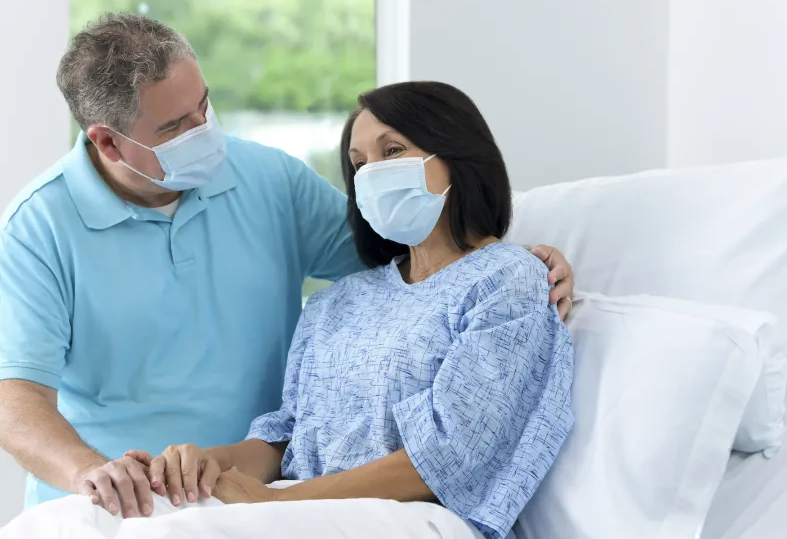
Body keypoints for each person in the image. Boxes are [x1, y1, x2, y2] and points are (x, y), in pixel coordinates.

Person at [0, 13, 574, 521]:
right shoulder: (38, 226)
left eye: (204, 106)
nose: (203, 132)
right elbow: (16, 397)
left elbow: (416, 252)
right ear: (108, 143)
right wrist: (93, 473)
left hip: (255, 496)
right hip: (125, 493)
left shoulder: (269, 180)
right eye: (174, 128)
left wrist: (519, 259)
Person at [127, 81, 574, 539]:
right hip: (301, 508)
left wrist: (275, 503)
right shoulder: (335, 301)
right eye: (359, 164)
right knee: (109, 521)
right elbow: (287, 438)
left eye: (392, 151)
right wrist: (210, 464)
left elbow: (449, 456)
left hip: (412, 518)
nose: (372, 173)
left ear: (458, 157)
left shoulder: (506, 279)